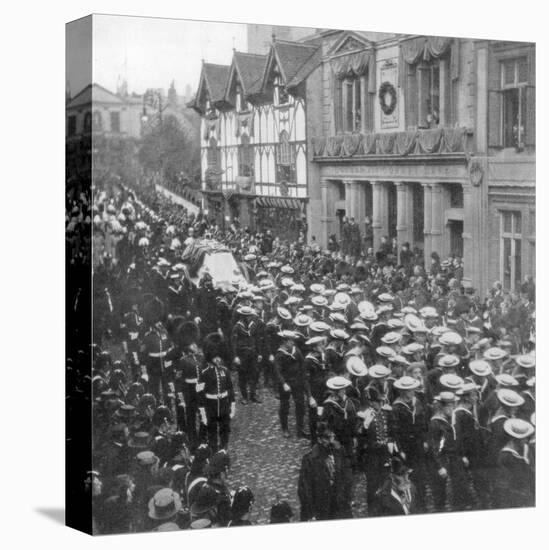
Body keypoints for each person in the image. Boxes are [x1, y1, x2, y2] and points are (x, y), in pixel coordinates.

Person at [297, 422, 352, 521]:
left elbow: (347, 474)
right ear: (319, 439)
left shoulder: (339, 451)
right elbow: (304, 489)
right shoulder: (310, 459)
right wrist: (311, 513)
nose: (331, 441)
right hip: (321, 507)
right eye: (328, 438)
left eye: (332, 437)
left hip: (339, 503)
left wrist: (346, 496)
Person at [197, 336, 236, 452]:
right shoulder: (204, 373)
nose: (218, 359)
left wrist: (232, 405)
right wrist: (202, 412)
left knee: (225, 430)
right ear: (211, 357)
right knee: (212, 431)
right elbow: (200, 394)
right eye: (216, 357)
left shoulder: (225, 371)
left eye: (219, 356)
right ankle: (214, 451)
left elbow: (230, 389)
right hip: (211, 407)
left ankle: (224, 448)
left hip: (224, 405)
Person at [274, 330, 306, 438]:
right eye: (290, 341)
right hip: (286, 384)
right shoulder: (279, 354)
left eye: (293, 340)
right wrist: (283, 383)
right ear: (284, 342)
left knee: (300, 404)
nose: (293, 343)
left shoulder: (296, 350)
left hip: (297, 382)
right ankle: (285, 428)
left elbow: (302, 364)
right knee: (284, 406)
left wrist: (302, 378)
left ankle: (300, 429)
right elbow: (277, 372)